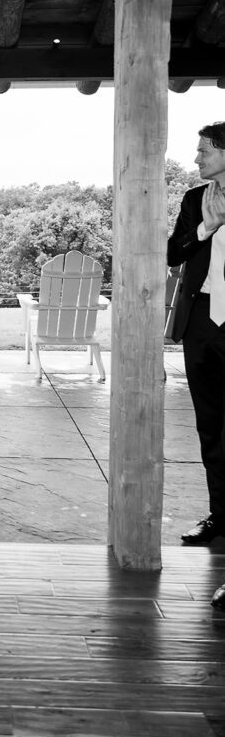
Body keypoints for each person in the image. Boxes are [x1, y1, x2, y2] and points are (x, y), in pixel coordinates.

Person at [167, 121, 225, 545]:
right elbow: (173, 253)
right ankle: (219, 516)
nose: (197, 157)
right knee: (209, 425)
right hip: (201, 322)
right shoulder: (193, 199)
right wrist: (206, 227)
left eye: (204, 150)